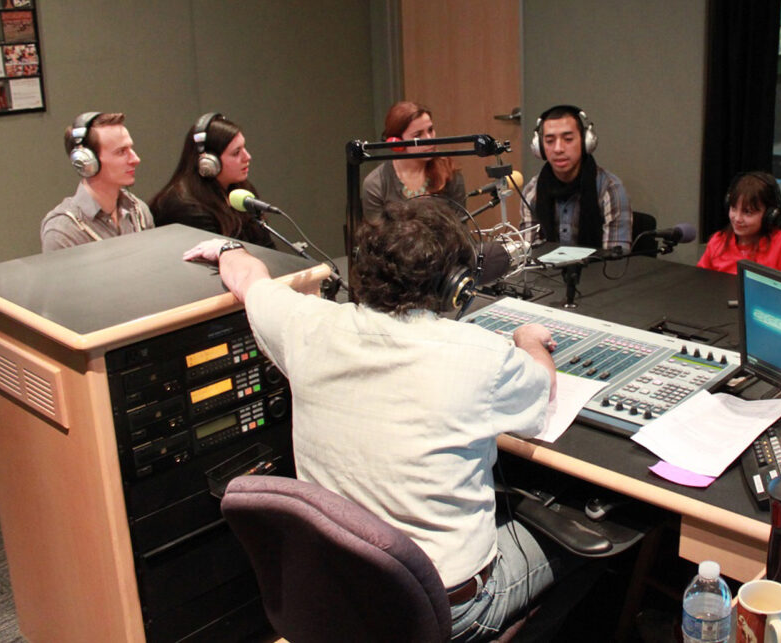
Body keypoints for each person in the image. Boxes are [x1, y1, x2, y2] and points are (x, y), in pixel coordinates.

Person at [183, 198, 592, 640]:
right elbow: (543, 387)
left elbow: (249, 280)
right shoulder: (483, 358)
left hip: (340, 594)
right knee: (589, 547)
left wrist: (228, 248)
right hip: (448, 609)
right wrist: (527, 339)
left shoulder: (304, 325)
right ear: (457, 287)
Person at [150, 113, 273, 247]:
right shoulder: (185, 206)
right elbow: (214, 262)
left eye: (244, 147)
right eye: (236, 153)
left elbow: (267, 247)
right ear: (208, 162)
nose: (247, 157)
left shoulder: (241, 191)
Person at [520, 105, 632, 252]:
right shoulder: (532, 192)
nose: (558, 148)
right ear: (539, 147)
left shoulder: (610, 189)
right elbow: (530, 255)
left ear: (585, 142)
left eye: (568, 139)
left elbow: (615, 261)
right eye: (549, 141)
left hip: (598, 272)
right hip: (548, 274)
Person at [41, 112, 152, 252]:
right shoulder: (64, 231)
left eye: (131, 149)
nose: (135, 159)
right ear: (86, 162)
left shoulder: (138, 212)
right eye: (121, 151)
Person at [361, 101, 466, 222]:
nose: (428, 139)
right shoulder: (376, 184)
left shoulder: (449, 173)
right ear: (396, 142)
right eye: (418, 135)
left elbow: (460, 230)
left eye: (430, 130)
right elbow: (376, 237)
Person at [697, 172, 781, 276]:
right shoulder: (718, 242)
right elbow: (701, 281)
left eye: (747, 212)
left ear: (770, 215)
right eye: (733, 208)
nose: (737, 218)